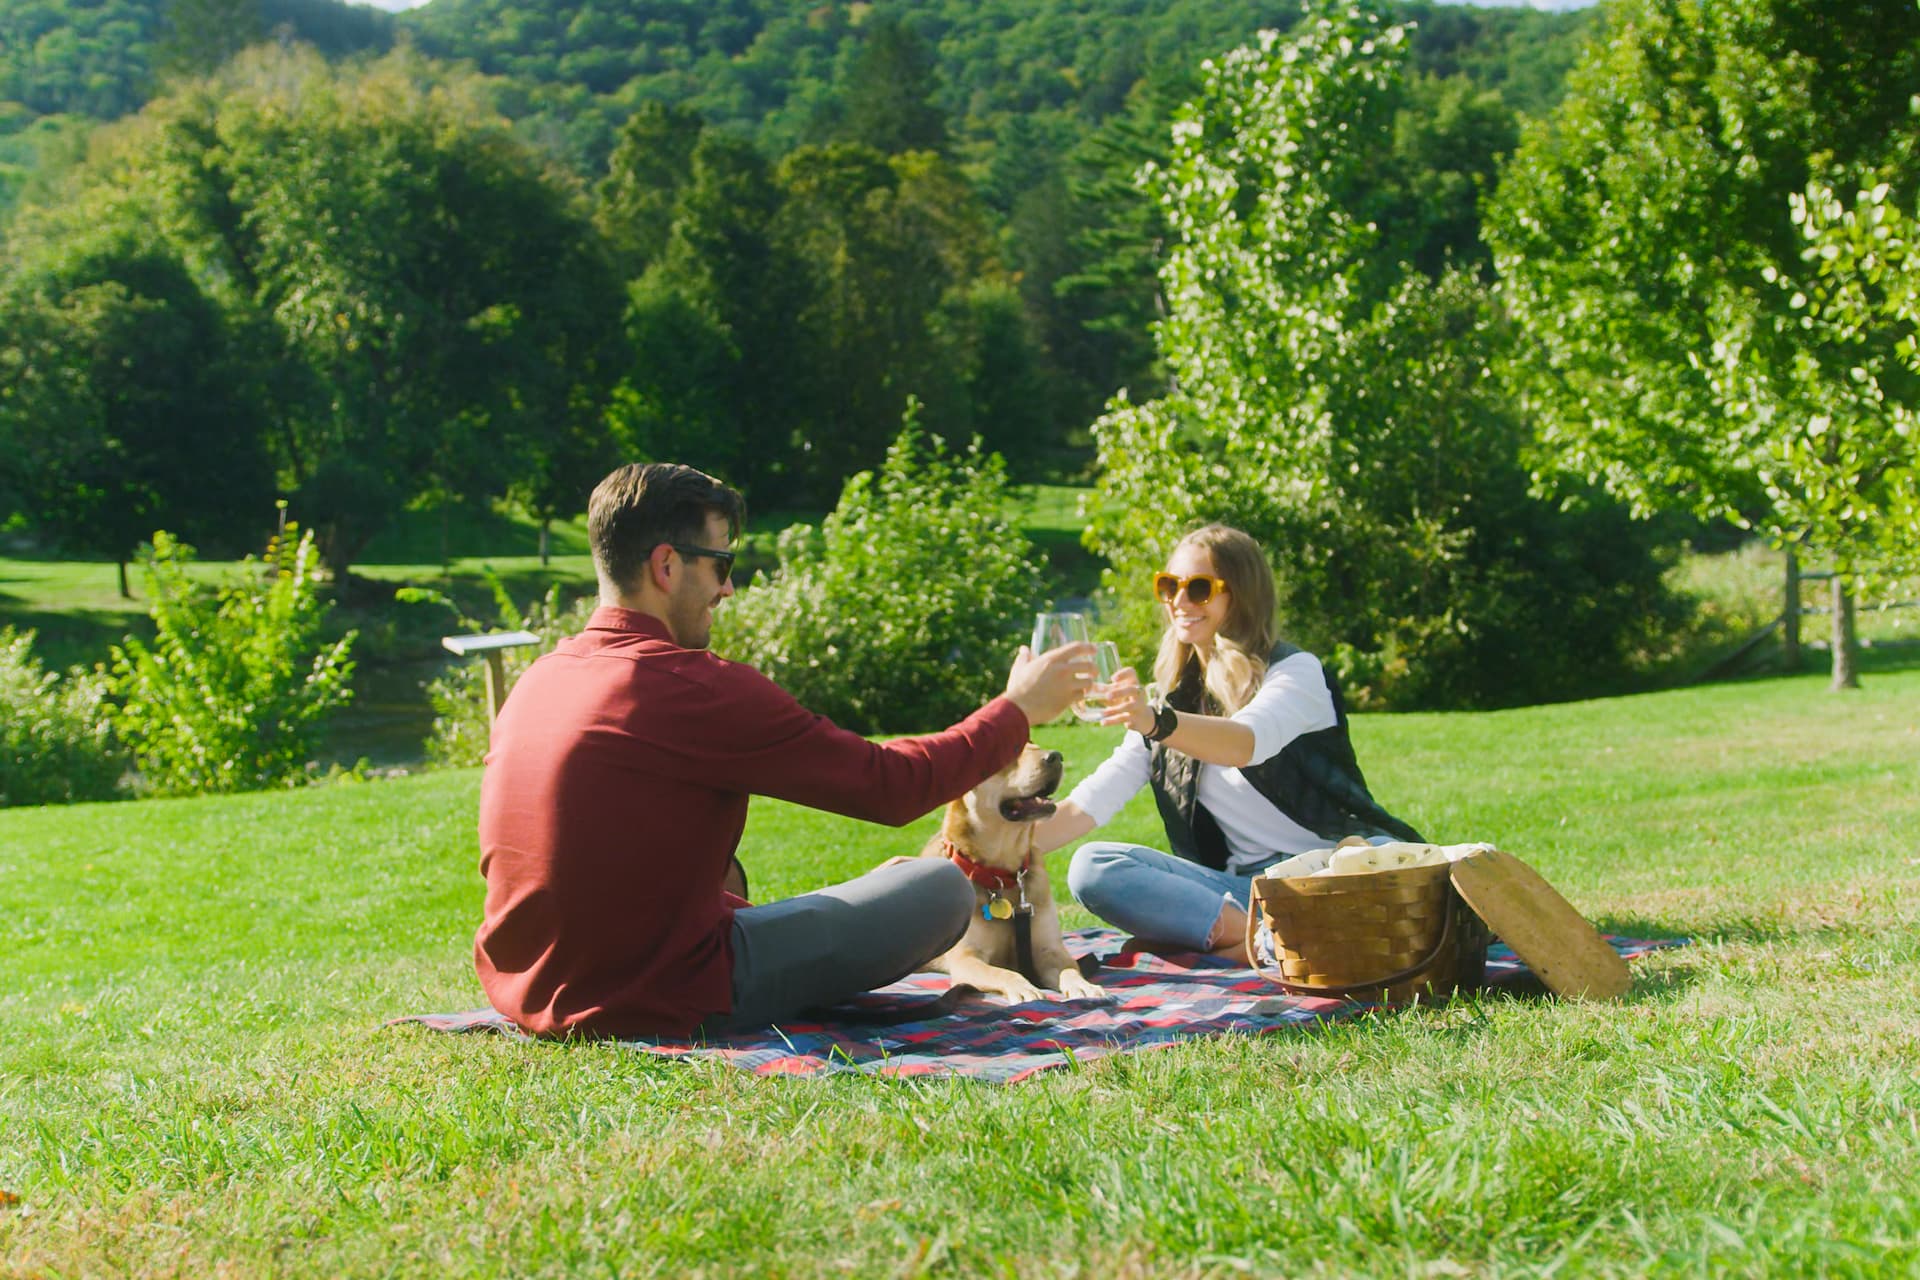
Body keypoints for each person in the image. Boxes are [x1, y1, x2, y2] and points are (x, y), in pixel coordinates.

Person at [475, 462, 1094, 1039]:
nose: (730, 588)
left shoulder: (540, 678)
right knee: (940, 888)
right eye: (721, 565)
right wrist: (1017, 712)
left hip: (525, 983)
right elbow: (892, 785)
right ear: (667, 567)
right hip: (660, 992)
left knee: (778, 879)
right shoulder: (692, 686)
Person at [1030, 523, 1422, 962]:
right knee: (1093, 866)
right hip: (1246, 890)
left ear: (1241, 595)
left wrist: (1154, 721)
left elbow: (1246, 743)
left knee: (1386, 878)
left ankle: (1248, 944)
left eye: (1198, 588)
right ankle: (1263, 941)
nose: (1179, 601)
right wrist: (978, 855)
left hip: (1331, 870)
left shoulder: (1294, 672)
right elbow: (1087, 805)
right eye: (1169, 586)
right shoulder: (1168, 704)